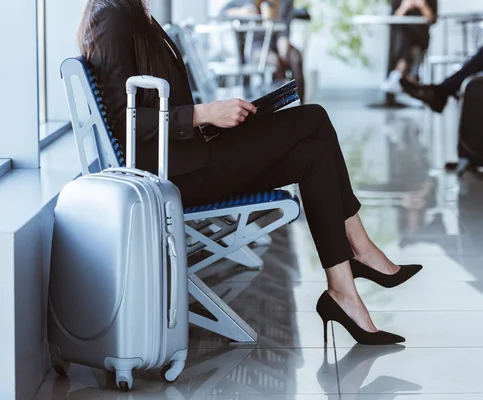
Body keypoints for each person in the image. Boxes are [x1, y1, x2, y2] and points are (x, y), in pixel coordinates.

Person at [78, 0, 422, 345]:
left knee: (314, 154)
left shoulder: (133, 13)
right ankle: (361, 250)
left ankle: (343, 291)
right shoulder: (112, 16)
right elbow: (124, 121)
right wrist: (204, 114)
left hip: (189, 154)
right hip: (175, 176)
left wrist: (216, 117)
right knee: (313, 117)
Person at [221, 0, 305, 102]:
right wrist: (243, 11)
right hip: (256, 46)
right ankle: (283, 104)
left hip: (277, 42)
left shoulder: (286, 2)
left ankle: (300, 103)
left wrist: (284, 53)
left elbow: (284, 30)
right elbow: (223, 12)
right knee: (274, 61)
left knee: (296, 57)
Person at [381, 0, 438, 93]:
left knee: (414, 45)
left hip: (421, 36)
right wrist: (404, 7)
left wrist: (423, 5)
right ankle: (408, 79)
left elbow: (432, 19)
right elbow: (393, 19)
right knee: (408, 41)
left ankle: (398, 74)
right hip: (402, 38)